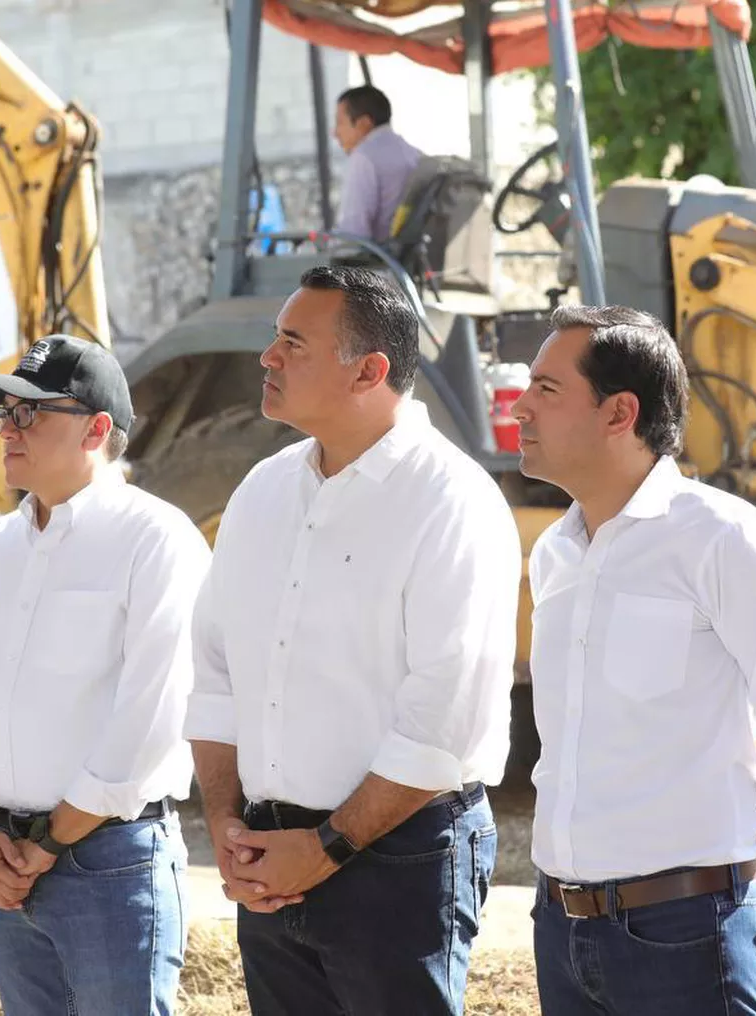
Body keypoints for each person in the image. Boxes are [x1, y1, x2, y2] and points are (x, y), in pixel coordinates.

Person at [186, 265, 520, 1016]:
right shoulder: (263, 491)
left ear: (370, 370)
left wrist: (327, 847)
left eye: (293, 344)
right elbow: (214, 672)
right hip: (271, 859)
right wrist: (225, 824)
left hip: (398, 859)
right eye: (275, 339)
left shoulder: (451, 501)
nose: (267, 358)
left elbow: (444, 716)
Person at [508, 305, 756, 1015]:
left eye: (546, 389)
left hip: (687, 934)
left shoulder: (726, 540)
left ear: (618, 412)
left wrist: (745, 871)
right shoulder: (556, 552)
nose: (520, 406)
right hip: (560, 928)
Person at [0, 334, 209, 1016]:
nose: (8, 429)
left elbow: (152, 716)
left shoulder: (157, 537)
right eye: (5, 413)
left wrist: (51, 840)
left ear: (95, 429)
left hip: (107, 866)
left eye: (30, 413)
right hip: (4, 867)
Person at [333, 85, 423, 243]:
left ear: (364, 124)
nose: (335, 133)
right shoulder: (413, 153)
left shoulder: (363, 158)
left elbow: (352, 233)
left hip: (378, 261)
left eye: (340, 123)